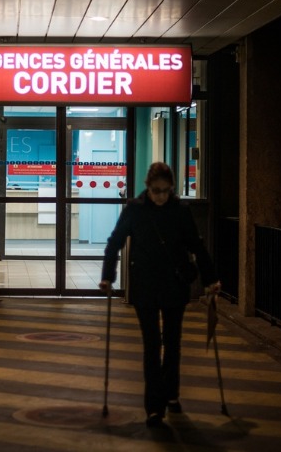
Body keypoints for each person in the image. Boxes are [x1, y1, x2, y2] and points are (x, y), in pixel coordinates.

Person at [99, 161, 221, 427]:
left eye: (166, 191)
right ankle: (154, 407)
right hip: (144, 286)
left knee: (173, 343)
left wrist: (211, 279)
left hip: (175, 285)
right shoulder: (135, 209)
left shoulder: (180, 211)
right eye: (156, 191)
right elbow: (115, 242)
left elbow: (197, 246)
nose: (161, 196)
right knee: (152, 345)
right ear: (148, 187)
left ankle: (172, 394)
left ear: (172, 188)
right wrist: (108, 276)